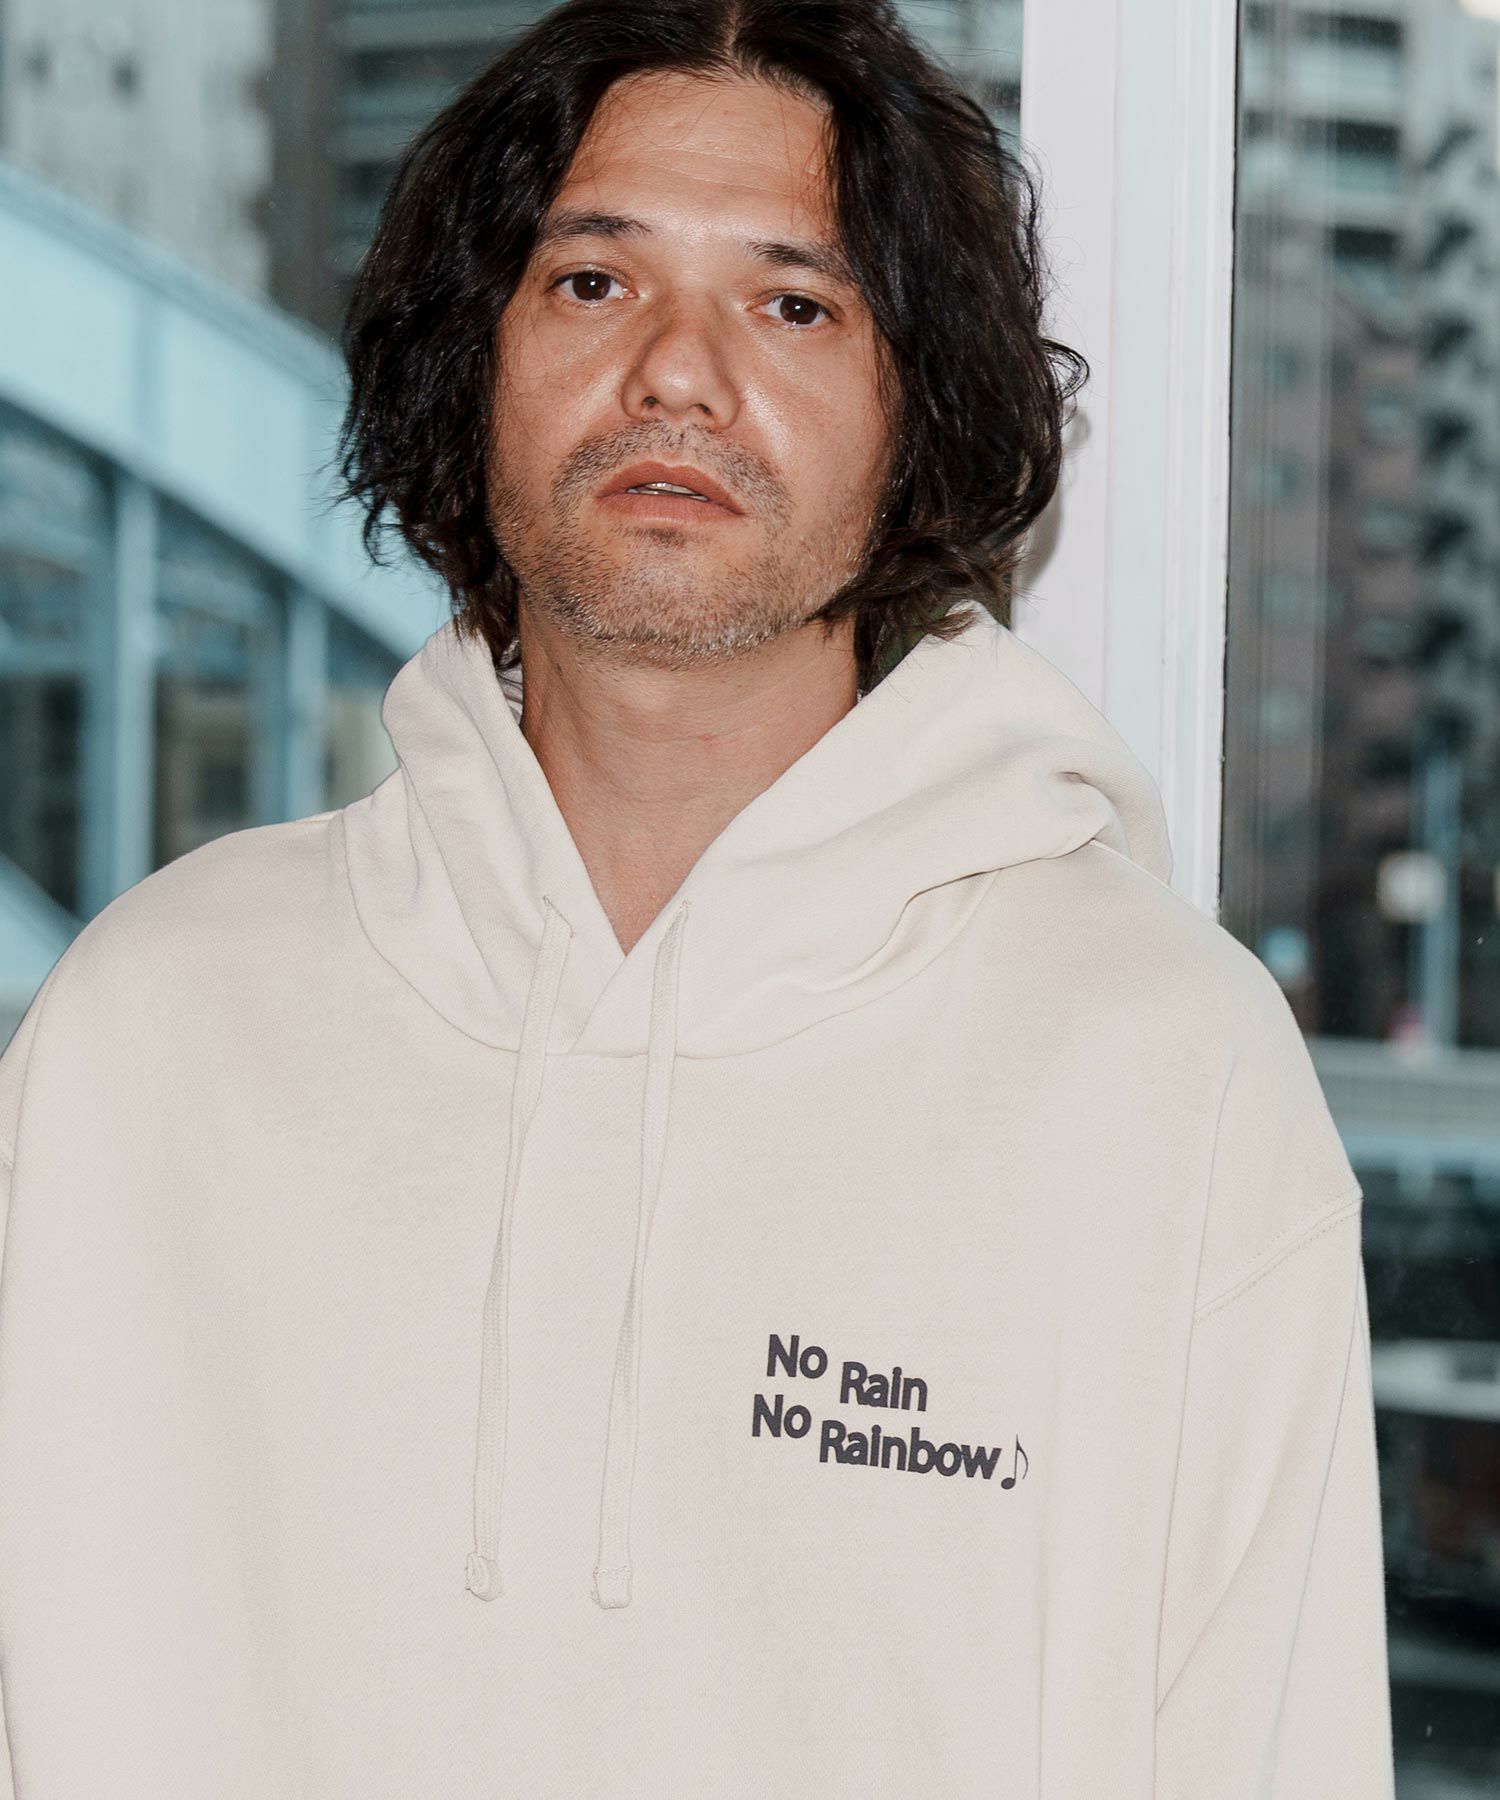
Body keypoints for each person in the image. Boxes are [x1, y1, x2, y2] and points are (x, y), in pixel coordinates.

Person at [0, 1, 1396, 1794]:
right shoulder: (148, 1031)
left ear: (916, 413)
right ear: (471, 364)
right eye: (594, 283)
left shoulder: (1166, 1074)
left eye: (794, 305)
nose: (677, 371)